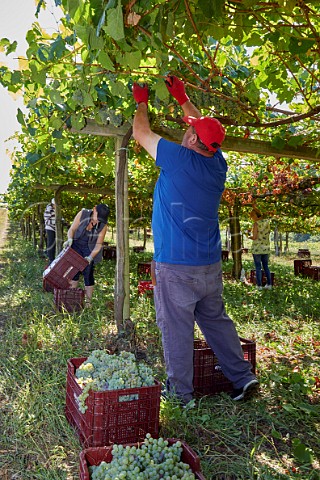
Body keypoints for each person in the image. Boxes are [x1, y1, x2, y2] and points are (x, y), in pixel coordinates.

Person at [132, 75, 259, 403]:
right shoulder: (217, 164)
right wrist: (182, 97)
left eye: (189, 128)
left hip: (177, 268)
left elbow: (141, 133)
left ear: (190, 140)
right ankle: (243, 378)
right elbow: (204, 134)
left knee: (176, 329)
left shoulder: (178, 159)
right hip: (209, 265)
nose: (186, 129)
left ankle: (181, 396)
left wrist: (141, 102)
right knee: (215, 321)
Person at [63, 204, 110, 306]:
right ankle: (72, 299)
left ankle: (88, 303)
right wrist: (70, 239)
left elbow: (98, 245)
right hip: (76, 244)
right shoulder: (83, 213)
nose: (98, 222)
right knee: (73, 271)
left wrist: (90, 257)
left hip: (89, 249)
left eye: (100, 220)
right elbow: (72, 229)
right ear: (94, 210)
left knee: (88, 274)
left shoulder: (103, 226)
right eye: (98, 218)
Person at [249, 209, 272, 290]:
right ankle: (269, 284)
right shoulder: (267, 222)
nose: (252, 219)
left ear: (255, 216)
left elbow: (254, 237)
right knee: (266, 266)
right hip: (266, 248)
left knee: (258, 267)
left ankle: (259, 286)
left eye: (252, 217)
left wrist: (248, 236)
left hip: (257, 248)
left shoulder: (256, 224)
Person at [44, 198, 56, 264]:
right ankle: (51, 259)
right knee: (51, 243)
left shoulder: (55, 209)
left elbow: (59, 217)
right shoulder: (49, 209)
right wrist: (57, 222)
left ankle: (51, 256)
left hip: (55, 228)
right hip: (50, 228)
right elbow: (47, 220)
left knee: (53, 243)